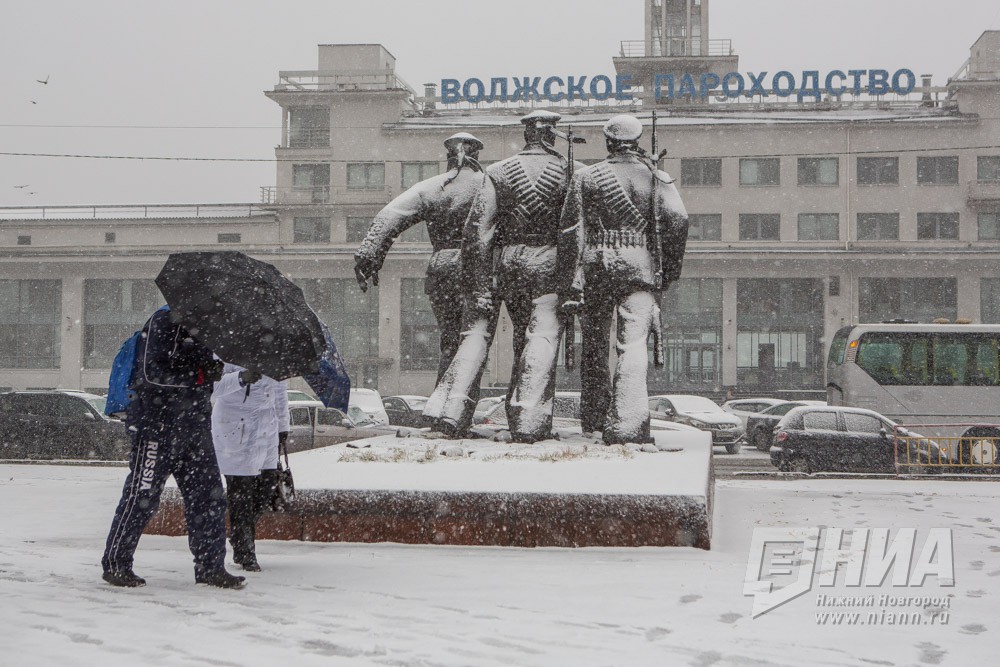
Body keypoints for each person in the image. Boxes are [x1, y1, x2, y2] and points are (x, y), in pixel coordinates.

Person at [424, 110, 582, 442]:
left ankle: (450, 411)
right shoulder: (574, 173)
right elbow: (575, 233)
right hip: (550, 264)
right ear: (551, 135)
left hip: (509, 264)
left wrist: (480, 286)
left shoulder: (496, 173)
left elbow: (477, 234)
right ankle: (527, 418)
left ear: (527, 135)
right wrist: (574, 278)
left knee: (485, 335)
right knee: (540, 336)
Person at [558, 114, 689, 445]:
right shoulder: (656, 177)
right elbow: (679, 220)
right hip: (639, 266)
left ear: (608, 141)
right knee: (632, 345)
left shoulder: (586, 177)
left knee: (594, 346)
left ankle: (595, 417)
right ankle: (628, 422)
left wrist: (569, 279)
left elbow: (572, 231)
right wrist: (667, 269)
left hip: (596, 266)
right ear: (638, 140)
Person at [101, 306, 246, 589]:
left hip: (195, 429)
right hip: (157, 427)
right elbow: (152, 373)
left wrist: (214, 371)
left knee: (210, 499)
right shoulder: (163, 321)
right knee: (142, 497)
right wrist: (201, 375)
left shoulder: (207, 330)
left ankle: (211, 567)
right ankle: (116, 564)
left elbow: (205, 381)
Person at [354, 132, 487, 382]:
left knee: (449, 341)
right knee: (474, 340)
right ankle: (456, 404)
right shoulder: (490, 185)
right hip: (477, 271)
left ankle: (443, 402)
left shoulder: (431, 188)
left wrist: (368, 255)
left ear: (448, 155)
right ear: (477, 154)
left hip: (442, 269)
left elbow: (390, 216)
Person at [211, 363, 290, 572]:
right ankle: (246, 551)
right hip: (236, 428)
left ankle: (239, 536)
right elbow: (212, 387)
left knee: (265, 490)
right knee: (241, 495)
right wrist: (240, 378)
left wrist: (283, 426)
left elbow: (280, 390)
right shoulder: (223, 350)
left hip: (267, 430)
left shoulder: (274, 351)